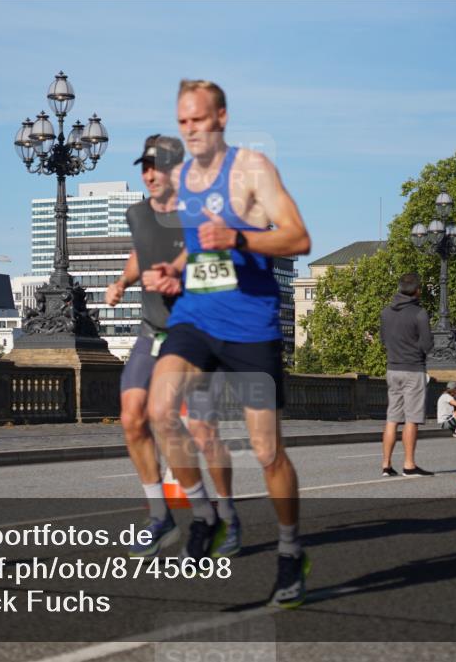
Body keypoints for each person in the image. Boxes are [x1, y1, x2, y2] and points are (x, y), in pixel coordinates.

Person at [143, 79, 312, 608]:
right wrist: (173, 271)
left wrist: (238, 237)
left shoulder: (252, 169)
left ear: (221, 117)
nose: (189, 130)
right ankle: (206, 513)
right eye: (182, 122)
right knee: (159, 411)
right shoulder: (182, 178)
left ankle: (289, 551)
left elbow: (299, 238)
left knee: (267, 451)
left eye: (198, 120)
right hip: (196, 316)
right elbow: (200, 251)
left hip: (250, 325)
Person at [107, 134, 241, 558]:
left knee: (202, 431)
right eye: (144, 166)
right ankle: (160, 517)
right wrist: (123, 281)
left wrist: (179, 279)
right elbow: (140, 252)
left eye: (158, 166)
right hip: (151, 332)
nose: (149, 174)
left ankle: (226, 517)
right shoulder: (137, 214)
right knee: (132, 417)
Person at [379, 273, 435, 477]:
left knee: (392, 418)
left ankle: (386, 465)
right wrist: (417, 348)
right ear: (417, 290)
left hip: (392, 369)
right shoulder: (420, 313)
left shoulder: (386, 312)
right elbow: (427, 345)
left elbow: (383, 340)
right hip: (413, 369)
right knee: (412, 418)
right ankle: (409, 465)